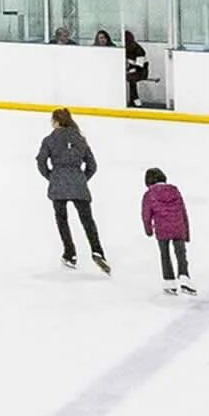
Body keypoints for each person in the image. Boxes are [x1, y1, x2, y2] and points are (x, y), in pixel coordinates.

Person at [37, 108, 110, 273]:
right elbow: (92, 165)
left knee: (62, 219)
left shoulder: (49, 140)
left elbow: (41, 162)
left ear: (56, 121)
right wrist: (82, 179)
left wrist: (52, 176)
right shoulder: (80, 139)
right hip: (78, 182)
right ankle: (97, 250)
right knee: (87, 220)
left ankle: (70, 253)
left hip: (58, 182)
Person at [140, 167, 197, 297]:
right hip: (178, 226)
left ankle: (169, 281)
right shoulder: (174, 190)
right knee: (181, 254)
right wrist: (186, 232)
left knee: (165, 255)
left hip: (162, 228)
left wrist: (148, 230)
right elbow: (183, 211)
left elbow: (146, 214)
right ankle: (184, 277)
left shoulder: (149, 194)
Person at [124, 30, 149, 107]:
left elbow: (140, 66)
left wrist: (130, 69)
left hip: (141, 72)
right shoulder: (125, 48)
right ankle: (133, 99)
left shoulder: (139, 50)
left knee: (131, 78)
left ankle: (135, 98)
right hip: (130, 70)